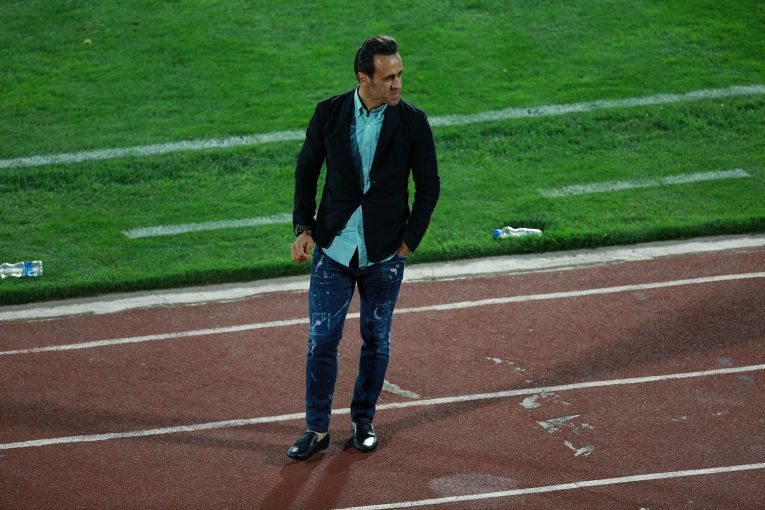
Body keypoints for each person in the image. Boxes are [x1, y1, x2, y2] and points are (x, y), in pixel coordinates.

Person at [287, 35, 440, 460]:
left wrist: (409, 242)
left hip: (385, 254)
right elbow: (306, 171)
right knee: (322, 339)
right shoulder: (329, 112)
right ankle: (317, 429)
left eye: (400, 74)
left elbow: (429, 185)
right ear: (364, 78)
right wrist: (304, 227)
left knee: (376, 339)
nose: (398, 84)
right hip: (333, 248)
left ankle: (363, 420)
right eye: (388, 77)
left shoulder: (413, 122)